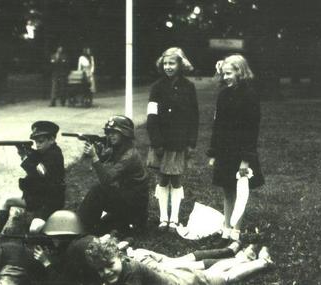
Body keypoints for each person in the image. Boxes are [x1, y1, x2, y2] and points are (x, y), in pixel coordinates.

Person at [207, 54, 264, 242]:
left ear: (240, 72)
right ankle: (226, 226)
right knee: (227, 189)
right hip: (224, 150)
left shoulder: (250, 96)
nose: (226, 78)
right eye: (223, 74)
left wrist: (246, 159)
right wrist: (213, 152)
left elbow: (251, 129)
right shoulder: (223, 94)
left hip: (241, 151)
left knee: (240, 190)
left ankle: (236, 230)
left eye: (229, 73)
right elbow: (217, 125)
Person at [146, 47, 199, 231]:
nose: (168, 67)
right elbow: (151, 117)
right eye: (165, 63)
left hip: (179, 141)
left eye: (172, 63)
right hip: (161, 142)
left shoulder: (189, 87)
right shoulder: (157, 88)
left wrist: (191, 142)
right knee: (162, 178)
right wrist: (156, 142)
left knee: (176, 179)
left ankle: (174, 218)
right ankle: (163, 218)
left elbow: (194, 116)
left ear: (180, 64)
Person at [84, 236, 274, 285]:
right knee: (209, 274)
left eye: (109, 266)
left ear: (120, 257)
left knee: (224, 279)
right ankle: (244, 257)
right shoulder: (123, 269)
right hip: (174, 276)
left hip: (183, 283)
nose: (106, 272)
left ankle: (262, 263)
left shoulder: (131, 271)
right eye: (100, 270)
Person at [77, 115, 149, 235]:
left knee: (98, 191)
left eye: (115, 133)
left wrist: (94, 156)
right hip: (127, 198)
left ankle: (81, 227)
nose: (110, 136)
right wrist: (97, 151)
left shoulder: (129, 155)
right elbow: (103, 158)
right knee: (100, 225)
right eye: (109, 132)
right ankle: (84, 225)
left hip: (134, 206)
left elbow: (106, 180)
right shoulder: (120, 148)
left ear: (125, 134)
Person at [0, 121, 66, 234]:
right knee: (6, 201)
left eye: (41, 141)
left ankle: (39, 248)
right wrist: (26, 152)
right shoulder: (46, 151)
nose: (37, 145)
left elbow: (39, 173)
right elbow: (36, 155)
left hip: (51, 201)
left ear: (51, 140)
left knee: (34, 228)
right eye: (36, 141)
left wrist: (25, 157)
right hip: (38, 198)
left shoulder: (54, 154)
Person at [32, 210, 102, 285]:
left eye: (53, 237)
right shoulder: (88, 240)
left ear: (61, 236)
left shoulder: (75, 248)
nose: (53, 241)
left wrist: (46, 262)